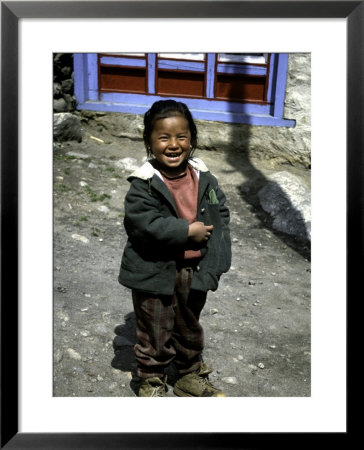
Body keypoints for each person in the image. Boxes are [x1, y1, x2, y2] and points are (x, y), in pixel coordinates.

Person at [118, 99, 231, 397]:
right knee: (154, 327)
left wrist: (217, 258)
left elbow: (220, 215)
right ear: (148, 141)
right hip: (154, 269)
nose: (173, 144)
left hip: (193, 269)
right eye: (163, 137)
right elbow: (144, 224)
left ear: (191, 139)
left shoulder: (203, 178)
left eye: (181, 137)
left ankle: (188, 374)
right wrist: (186, 230)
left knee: (189, 325)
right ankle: (152, 378)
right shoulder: (144, 183)